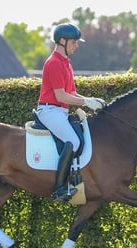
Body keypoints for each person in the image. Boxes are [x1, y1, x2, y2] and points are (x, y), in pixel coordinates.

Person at [36, 23, 106, 202]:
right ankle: (59, 189)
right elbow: (60, 96)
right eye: (74, 42)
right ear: (62, 41)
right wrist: (86, 102)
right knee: (73, 141)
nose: (76, 46)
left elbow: (72, 94)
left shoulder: (66, 63)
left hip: (60, 111)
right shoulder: (53, 63)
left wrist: (91, 100)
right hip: (50, 110)